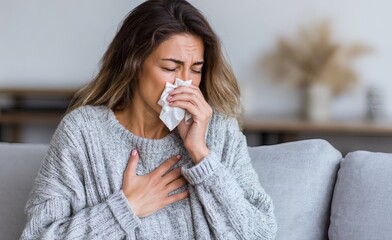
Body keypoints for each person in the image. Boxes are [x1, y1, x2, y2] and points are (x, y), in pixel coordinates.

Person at [21, 0, 277, 239]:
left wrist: (201, 156)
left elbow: (260, 234)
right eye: (169, 68)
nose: (184, 83)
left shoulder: (219, 131)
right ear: (133, 64)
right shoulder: (83, 132)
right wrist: (125, 208)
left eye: (196, 69)